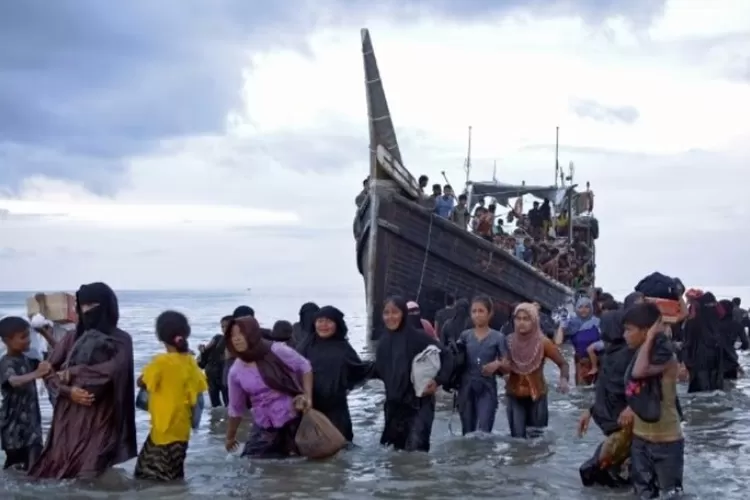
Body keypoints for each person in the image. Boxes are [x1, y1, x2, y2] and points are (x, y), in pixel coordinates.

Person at [29, 282, 137, 479]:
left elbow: (113, 371)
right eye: (83, 306)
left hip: (102, 417)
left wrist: (73, 372)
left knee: (91, 471)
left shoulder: (122, 340)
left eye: (92, 306)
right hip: (69, 419)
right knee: (61, 470)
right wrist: (68, 391)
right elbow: (48, 371)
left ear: (107, 306)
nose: (86, 311)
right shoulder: (71, 338)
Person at [371, 296, 453, 452]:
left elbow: (447, 355)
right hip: (394, 407)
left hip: (420, 405)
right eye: (386, 313)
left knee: (416, 456)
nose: (390, 317)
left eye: (395, 312)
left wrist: (437, 381)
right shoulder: (383, 343)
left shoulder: (418, 337)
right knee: (396, 457)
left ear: (404, 314)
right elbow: (380, 371)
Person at [225, 316, 313, 458]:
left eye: (241, 333)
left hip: (293, 419)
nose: (236, 339)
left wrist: (308, 396)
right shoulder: (236, 371)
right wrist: (230, 437)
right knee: (252, 462)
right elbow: (236, 408)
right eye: (232, 335)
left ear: (253, 334)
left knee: (299, 466)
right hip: (264, 424)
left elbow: (305, 367)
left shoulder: (277, 350)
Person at [134, 311, 207, 481]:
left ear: (160, 336)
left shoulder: (161, 363)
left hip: (163, 430)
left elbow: (142, 381)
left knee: (148, 477)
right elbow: (198, 389)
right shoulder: (191, 362)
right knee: (174, 473)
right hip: (182, 429)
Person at [624, 302, 684, 499]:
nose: (625, 335)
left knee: (671, 495)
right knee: (642, 495)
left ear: (645, 331)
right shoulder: (639, 354)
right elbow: (637, 389)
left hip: (666, 442)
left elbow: (639, 373)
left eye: (629, 330)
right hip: (640, 439)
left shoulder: (666, 358)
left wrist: (650, 337)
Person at [296, 306, 373, 443]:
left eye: (328, 321)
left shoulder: (344, 348)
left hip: (336, 409)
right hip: (309, 408)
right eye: (320, 321)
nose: (323, 325)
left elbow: (359, 370)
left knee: (340, 449)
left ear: (337, 324)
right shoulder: (306, 346)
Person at [504, 303, 569, 438]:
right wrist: (501, 370)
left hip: (537, 396)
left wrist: (563, 380)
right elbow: (501, 367)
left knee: (537, 443)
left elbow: (563, 363)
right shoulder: (508, 341)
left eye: (526, 319)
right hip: (514, 396)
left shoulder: (543, 342)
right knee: (517, 443)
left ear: (534, 320)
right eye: (518, 318)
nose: (521, 323)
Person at [0, 316, 48, 471]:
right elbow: (13, 381)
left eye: (28, 335)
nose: (28, 340)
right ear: (7, 340)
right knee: (15, 468)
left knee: (35, 466)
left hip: (32, 426)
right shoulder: (6, 362)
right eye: (23, 337)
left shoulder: (28, 359)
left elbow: (48, 364)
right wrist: (36, 374)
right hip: (14, 429)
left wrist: (45, 333)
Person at [456, 296, 507, 435]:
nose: (477, 315)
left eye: (481, 311)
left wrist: (496, 364)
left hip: (487, 388)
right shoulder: (465, 336)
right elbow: (455, 359)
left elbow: (507, 362)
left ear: (490, 313)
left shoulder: (498, 337)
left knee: (484, 432)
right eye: (474, 311)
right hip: (466, 388)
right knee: (467, 433)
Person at [682, 291, 724, 393]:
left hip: (699, 359)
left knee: (700, 388)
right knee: (714, 387)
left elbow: (687, 343)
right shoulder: (718, 322)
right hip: (715, 358)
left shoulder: (692, 322)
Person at [555, 297, 601, 385]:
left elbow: (605, 341)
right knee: (582, 390)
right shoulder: (571, 323)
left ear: (591, 308)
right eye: (580, 307)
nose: (583, 310)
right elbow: (558, 342)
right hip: (581, 363)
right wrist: (562, 326)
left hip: (599, 362)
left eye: (587, 307)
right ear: (576, 308)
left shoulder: (598, 322)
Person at [198, 315, 232, 407]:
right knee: (215, 404)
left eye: (227, 326)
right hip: (212, 375)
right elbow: (205, 349)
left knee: (228, 403)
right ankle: (217, 420)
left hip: (225, 377)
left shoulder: (236, 342)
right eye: (222, 326)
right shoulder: (217, 338)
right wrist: (202, 349)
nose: (224, 329)